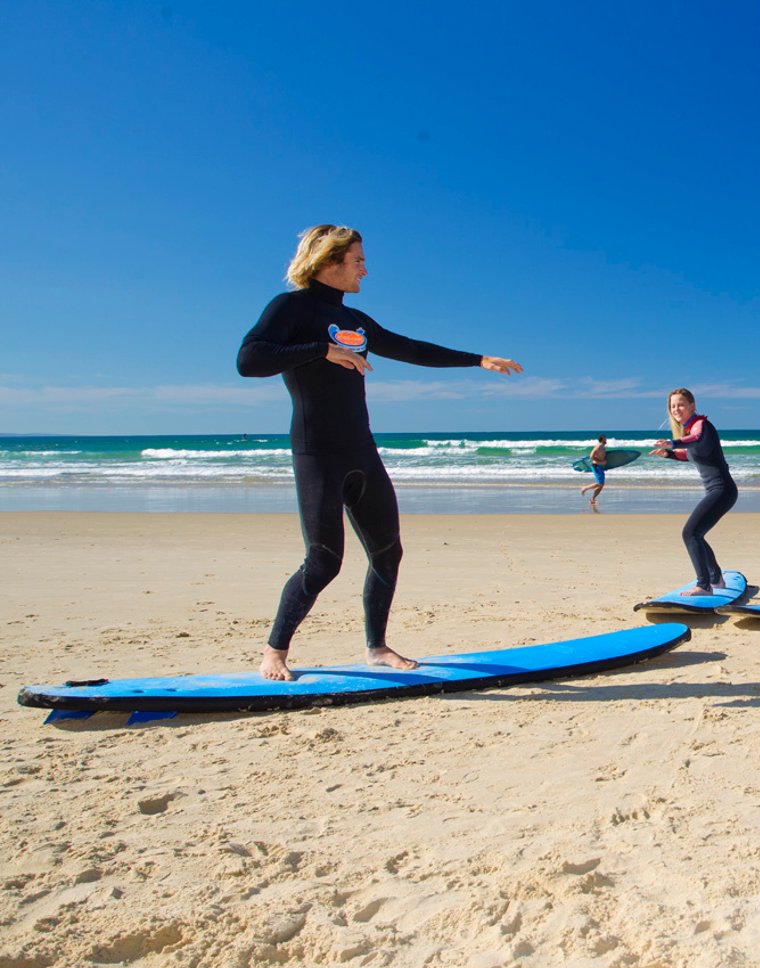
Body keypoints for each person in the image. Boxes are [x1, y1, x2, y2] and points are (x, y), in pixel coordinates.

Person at [237, 225, 523, 681]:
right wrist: (321, 351)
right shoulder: (288, 308)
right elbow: (249, 361)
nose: (365, 270)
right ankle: (274, 651)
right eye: (357, 262)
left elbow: (410, 348)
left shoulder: (357, 321)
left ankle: (377, 647)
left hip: (361, 450)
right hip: (317, 453)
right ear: (328, 263)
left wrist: (478, 359)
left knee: (388, 552)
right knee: (325, 560)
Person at [651, 389, 739, 595]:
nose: (676, 409)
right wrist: (669, 454)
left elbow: (696, 439)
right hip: (717, 491)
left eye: (681, 404)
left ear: (692, 405)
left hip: (722, 489)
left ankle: (704, 585)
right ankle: (716, 580)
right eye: (673, 406)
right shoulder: (688, 430)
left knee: (690, 533)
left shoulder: (701, 425)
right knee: (696, 534)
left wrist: (673, 443)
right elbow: (688, 454)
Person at [579, 435, 608, 505]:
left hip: (601, 467)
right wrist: (600, 462)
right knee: (599, 483)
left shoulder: (603, 447)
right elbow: (591, 456)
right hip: (596, 466)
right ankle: (585, 488)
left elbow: (601, 457)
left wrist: (605, 465)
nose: (606, 439)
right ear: (602, 439)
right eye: (605, 438)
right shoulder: (598, 446)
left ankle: (592, 499)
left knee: (601, 485)